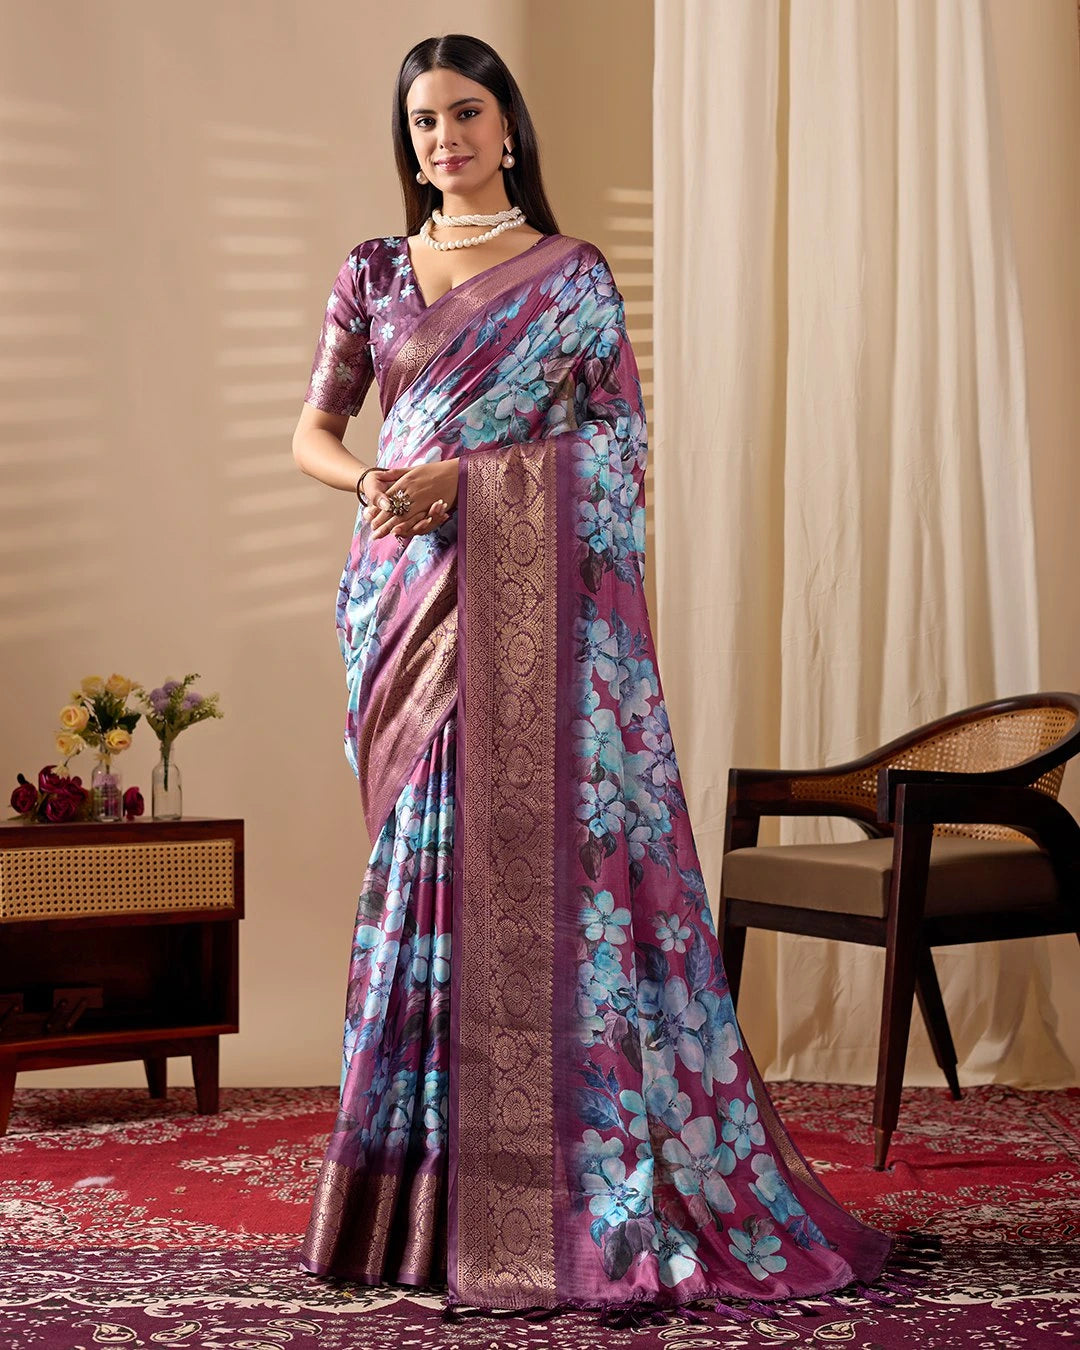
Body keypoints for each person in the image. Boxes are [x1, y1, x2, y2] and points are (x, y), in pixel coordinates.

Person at [291, 31, 891, 1321]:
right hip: (410, 608)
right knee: (422, 880)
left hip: (537, 630)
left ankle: (564, 1196)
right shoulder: (374, 274)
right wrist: (381, 487)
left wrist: (467, 487)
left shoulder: (570, 281)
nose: (441, 139)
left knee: (542, 879)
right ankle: (415, 1202)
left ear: (509, 125)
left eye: (463, 113)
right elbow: (316, 430)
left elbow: (612, 461)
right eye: (421, 123)